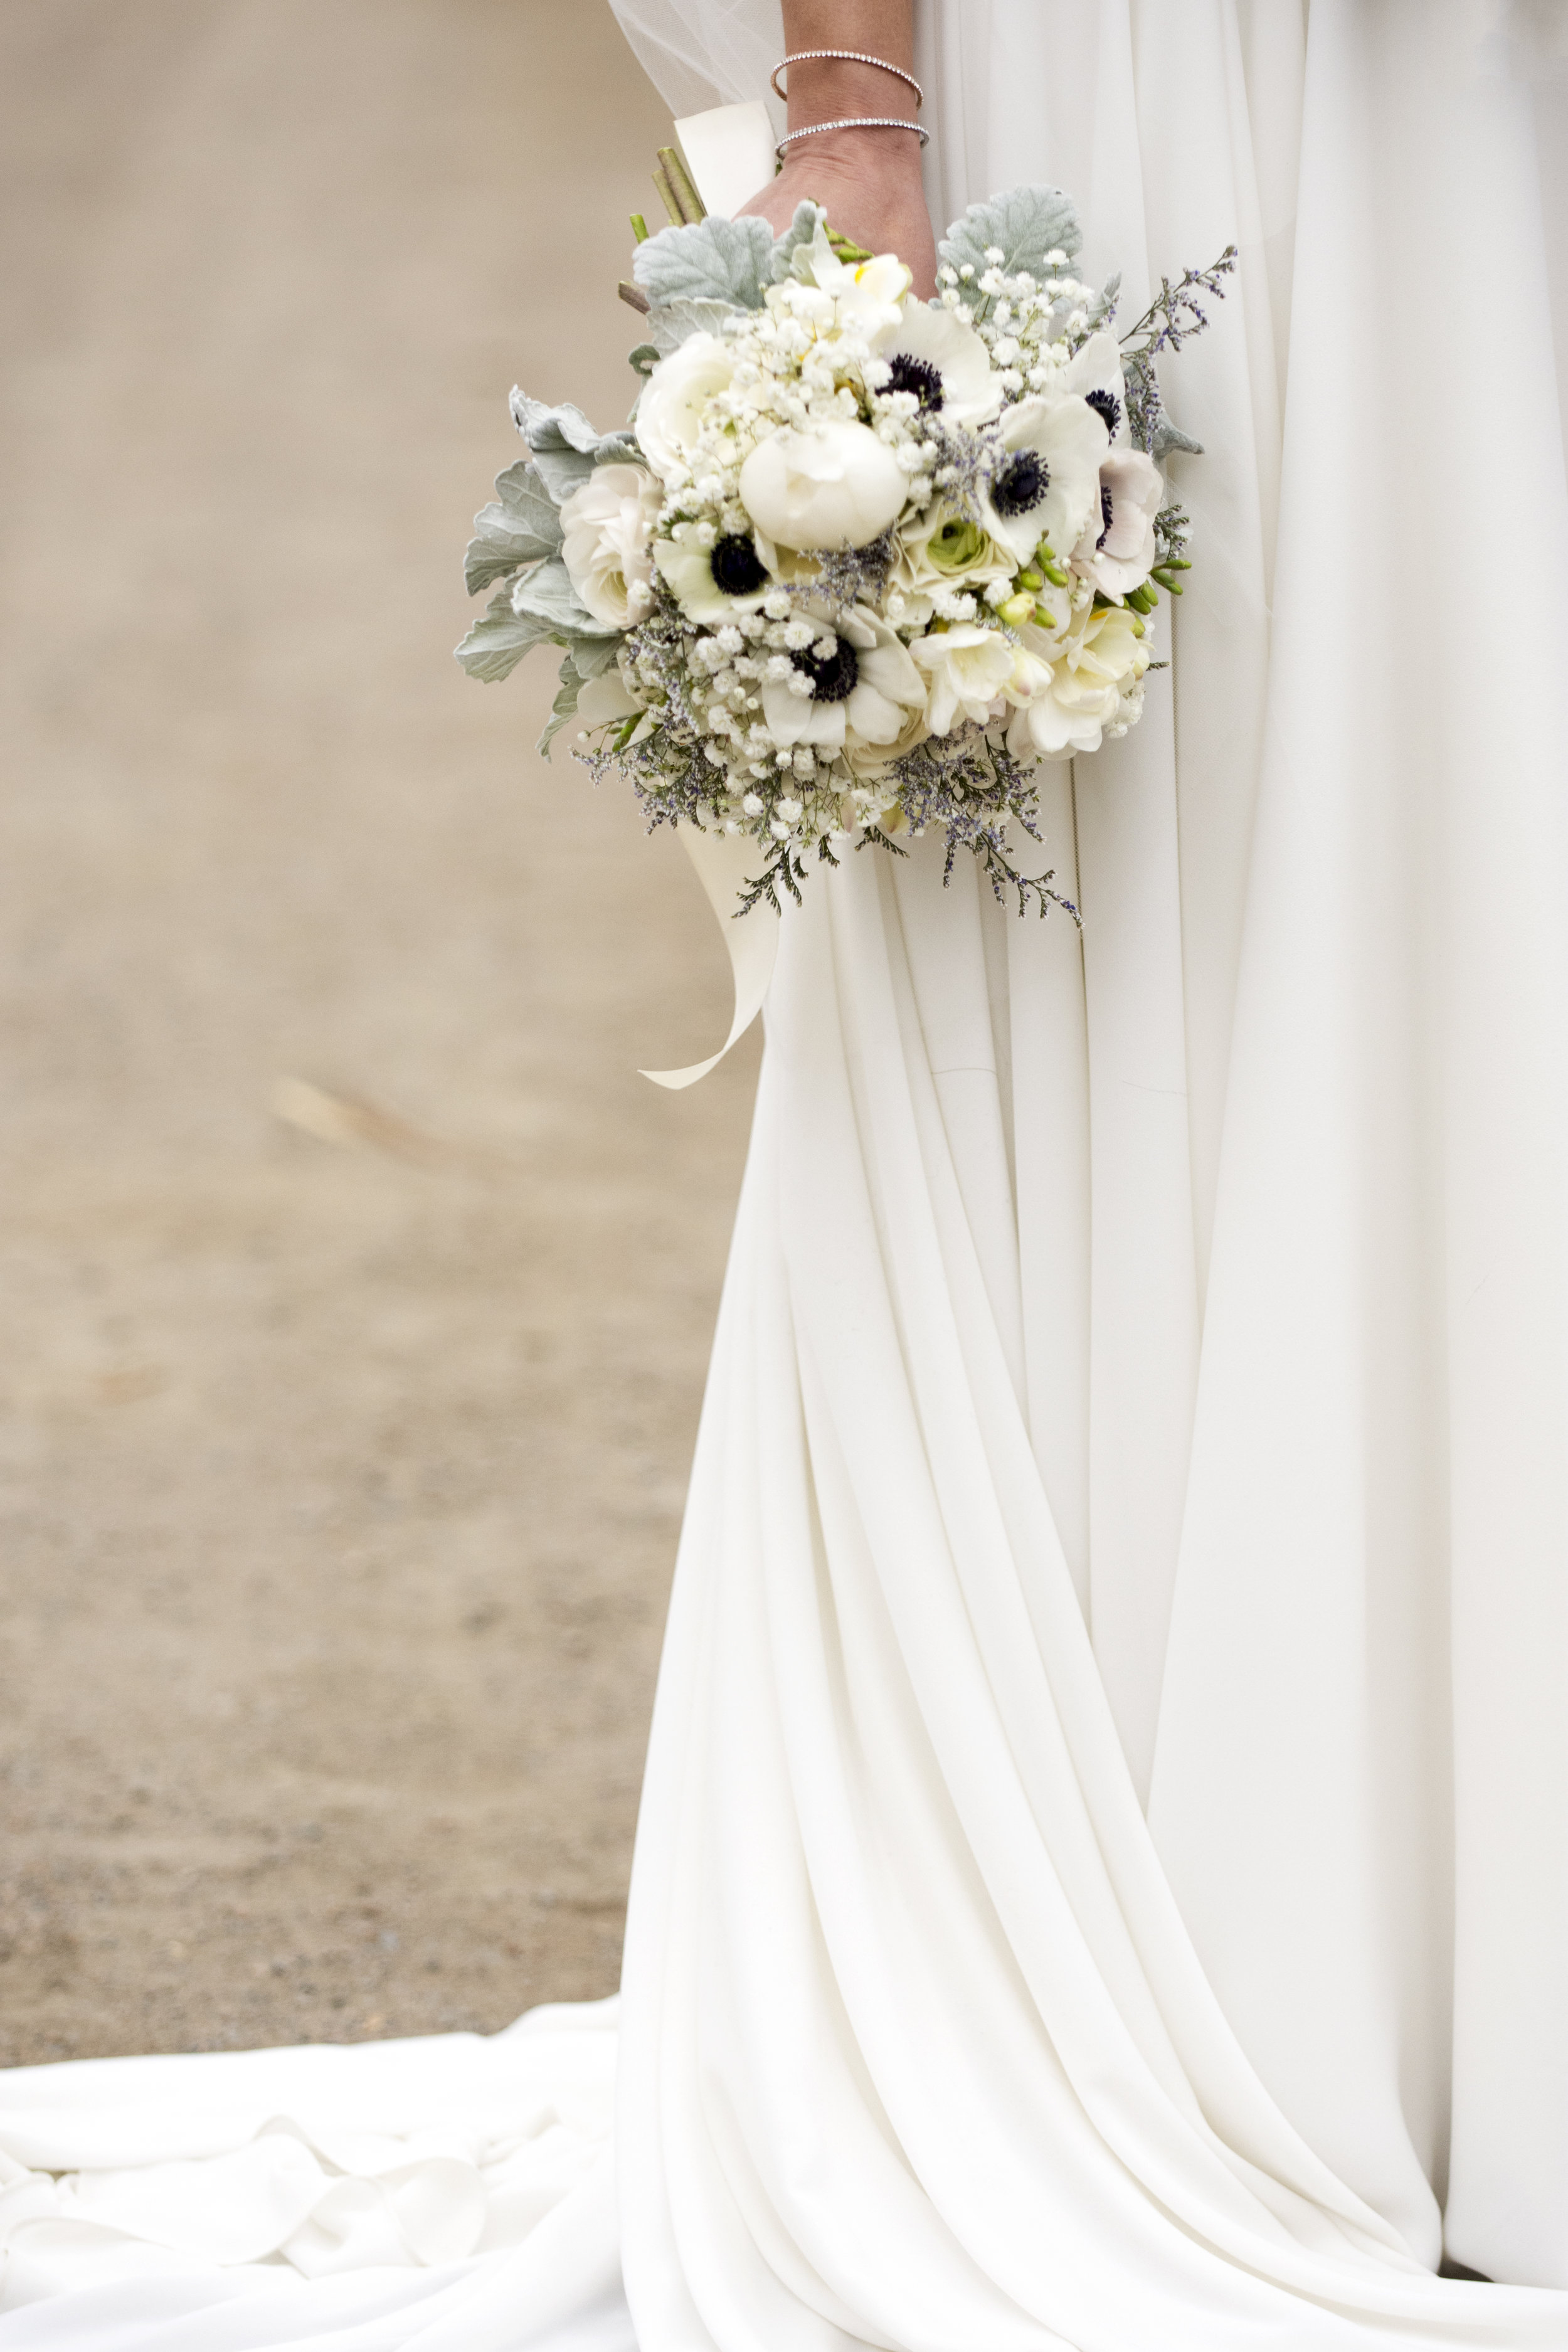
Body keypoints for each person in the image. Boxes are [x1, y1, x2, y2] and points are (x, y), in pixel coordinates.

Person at [3, 3, 1568, 2346]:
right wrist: (851, 99)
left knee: (1467, 856)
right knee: (1143, 890)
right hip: (1149, 77)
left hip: (1471, 95)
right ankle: (1172, 1959)